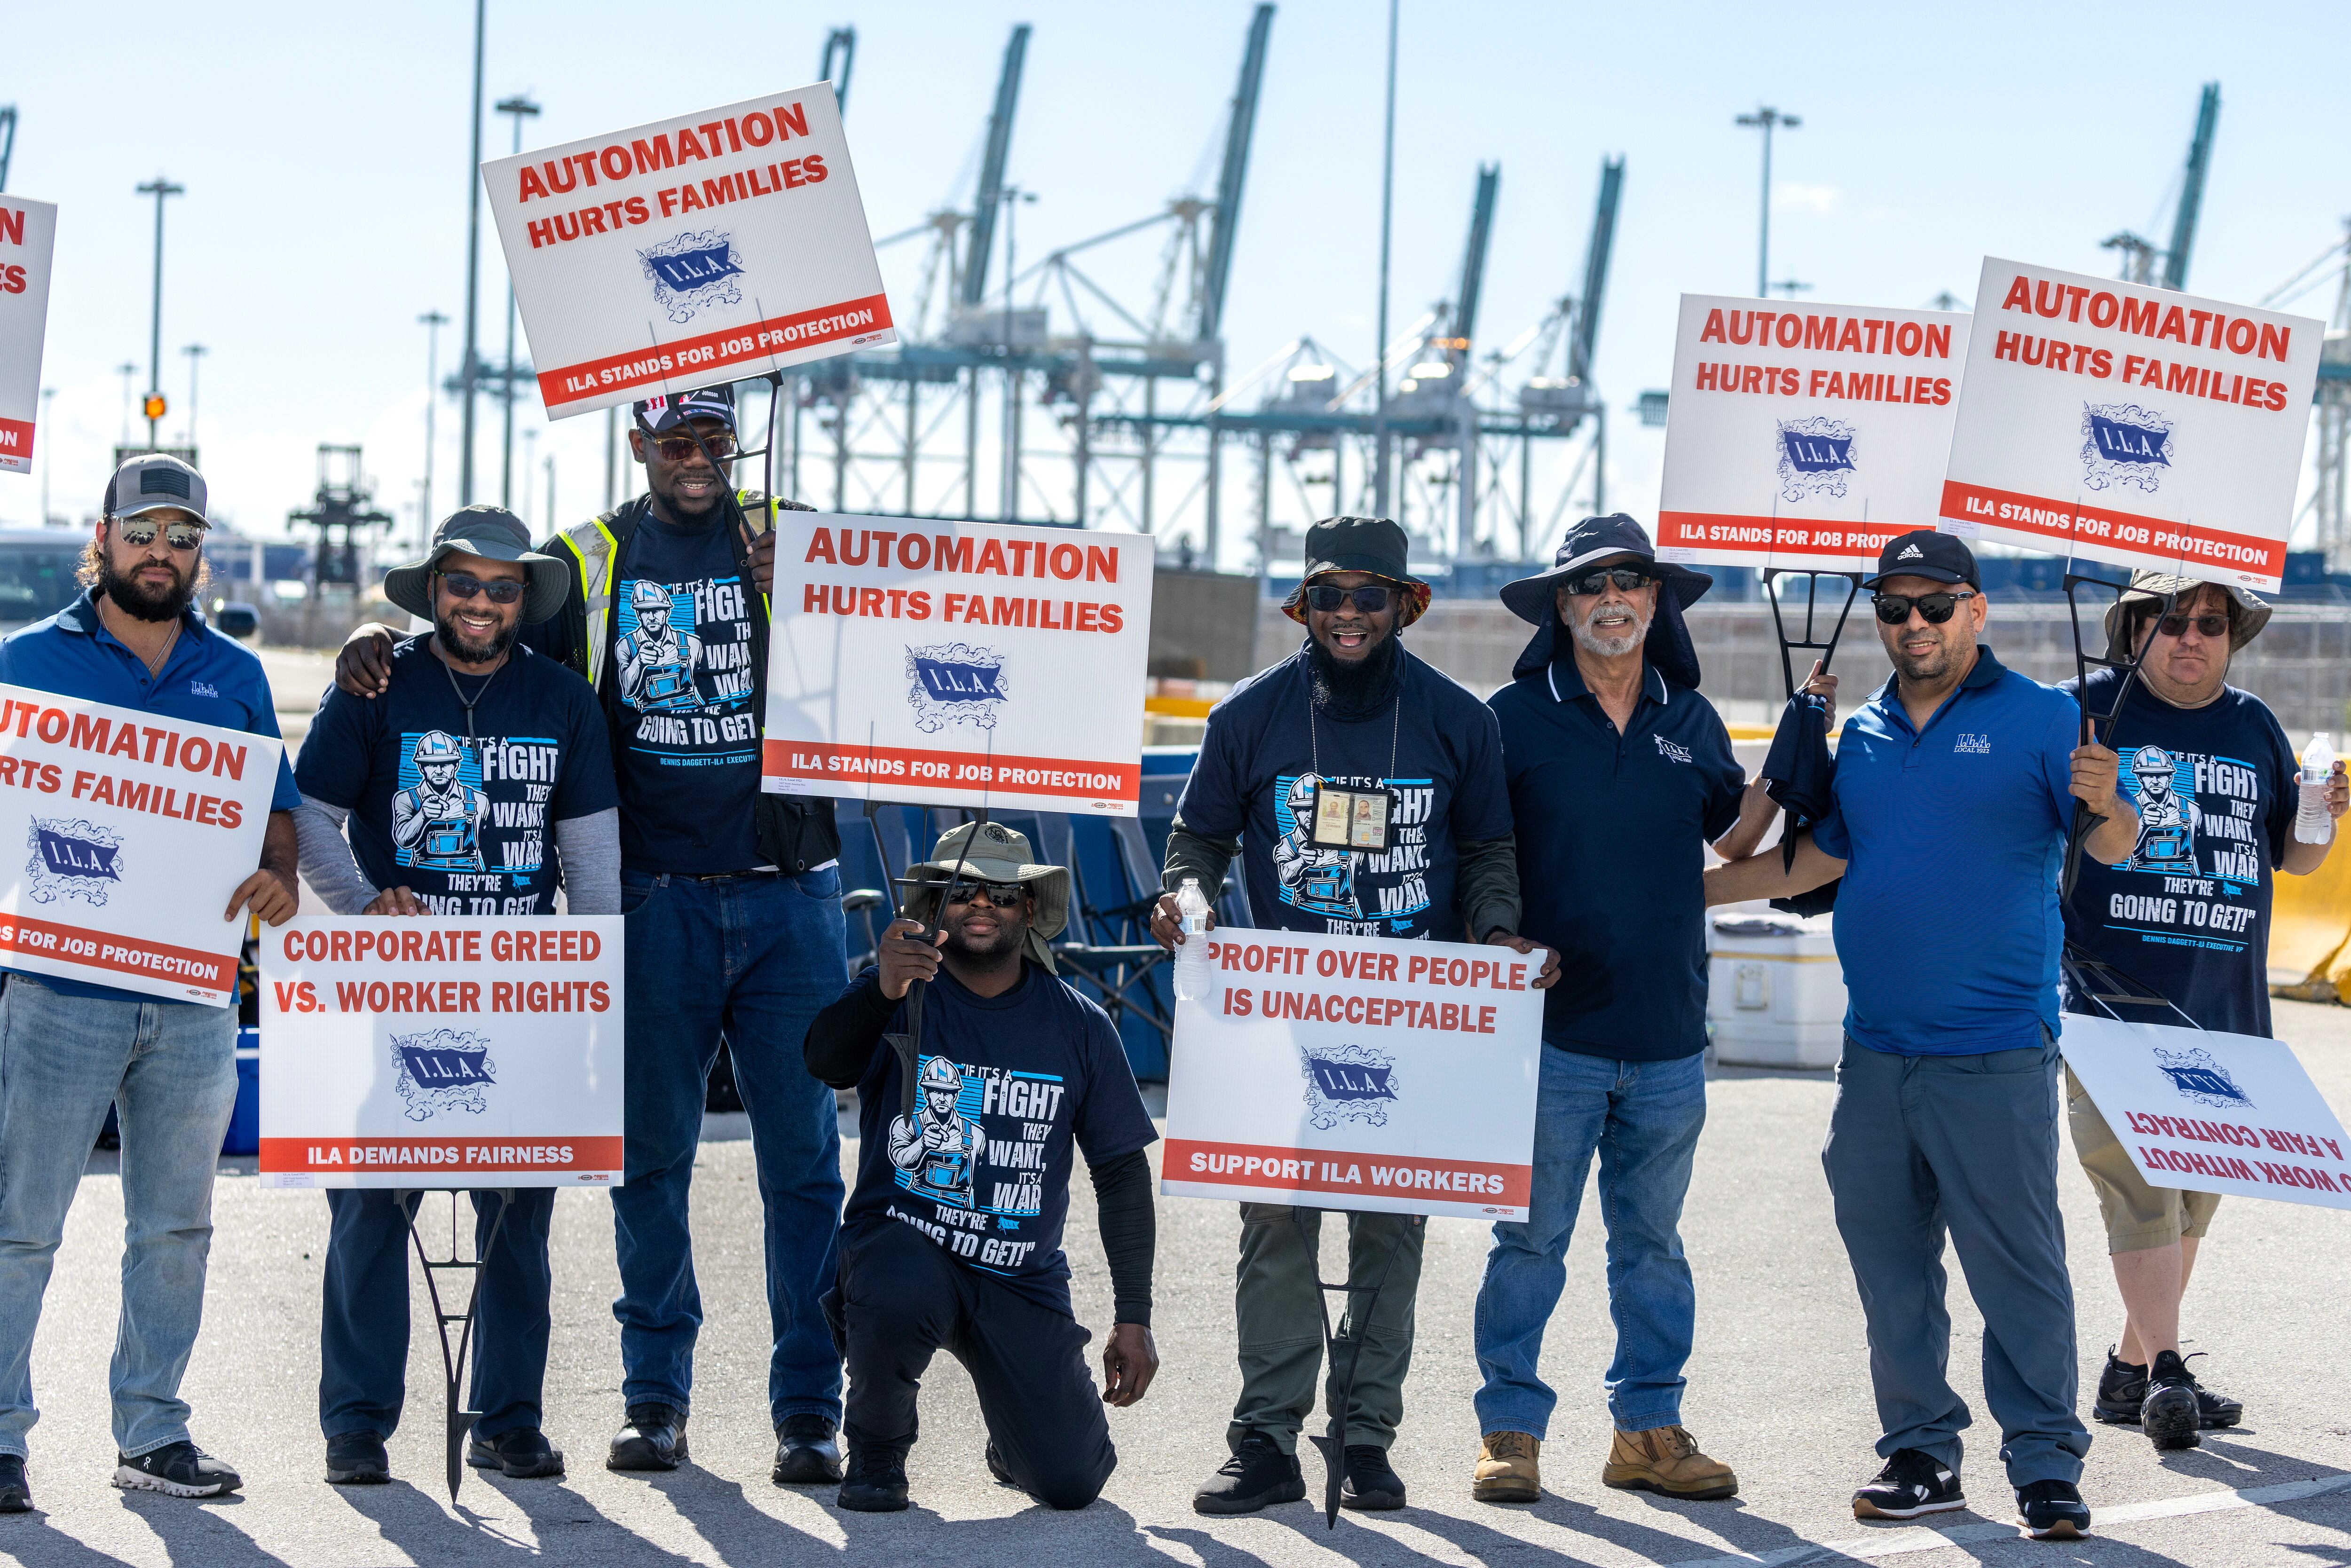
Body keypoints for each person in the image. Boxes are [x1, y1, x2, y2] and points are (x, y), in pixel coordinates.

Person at [333, 384, 849, 1484]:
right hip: (655, 899)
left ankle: (811, 1411)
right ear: (640, 445)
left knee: (803, 1166)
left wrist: (808, 603)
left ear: (737, 444)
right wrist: (375, 638)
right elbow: (481, 635)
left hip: (790, 892)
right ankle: (654, 1403)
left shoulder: (803, 540)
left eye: (714, 438)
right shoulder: (590, 558)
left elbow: (902, 677)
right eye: (676, 439)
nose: (697, 457)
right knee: (648, 1164)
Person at [1705, 528, 2139, 1543]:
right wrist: (1673, 893)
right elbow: (1812, 862)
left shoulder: (2044, 718)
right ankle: (1918, 1453)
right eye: (1892, 609)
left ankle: (2043, 1464)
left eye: (1933, 606)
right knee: (1890, 1268)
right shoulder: (1857, 732)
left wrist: (2107, 799)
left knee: (2015, 1268)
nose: (1912, 625)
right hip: (1875, 1055)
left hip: (1992, 1049)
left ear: (1975, 612)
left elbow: (2114, 846)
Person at [1149, 515, 1558, 1517]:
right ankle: (1266, 1438)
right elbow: (1193, 841)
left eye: (1368, 596)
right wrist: (1184, 903)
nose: (1346, 615)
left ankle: (1365, 1439)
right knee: (1274, 1228)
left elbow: (1490, 854)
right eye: (1328, 596)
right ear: (1304, 605)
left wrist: (1497, 929)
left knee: (1390, 1231)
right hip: (1283, 1015)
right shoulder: (1246, 717)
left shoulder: (1461, 721)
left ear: (1404, 606)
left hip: (1410, 1015)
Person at [294, 506, 620, 1485]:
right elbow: (310, 817)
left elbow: (592, 860)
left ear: (524, 599)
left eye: (501, 587)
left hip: (522, 990)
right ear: (434, 589)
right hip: (394, 986)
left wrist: (592, 991)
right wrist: (361, 902)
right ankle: (357, 1426)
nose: (480, 602)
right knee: (369, 1205)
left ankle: (509, 1419)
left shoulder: (562, 699)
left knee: (519, 1213)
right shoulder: (375, 684)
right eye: (463, 584)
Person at [0, 455, 301, 1513]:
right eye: (143, 532)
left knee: (175, 1226)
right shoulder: (26, 662)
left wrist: (281, 874)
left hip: (192, 993)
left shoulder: (238, 673)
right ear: (104, 536)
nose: (161, 553)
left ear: (199, 550)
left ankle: (151, 1433)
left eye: (182, 535)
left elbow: (274, 809)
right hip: (55, 991)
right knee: (20, 1220)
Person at [1470, 516, 1780, 1506]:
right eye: (1590, 584)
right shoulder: (1508, 720)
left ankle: (1646, 1433)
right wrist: (1492, 939)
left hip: (1666, 1042)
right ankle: (1508, 1434)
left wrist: (1798, 750)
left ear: (1656, 602)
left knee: (1652, 1249)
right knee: (1529, 1244)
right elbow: (1468, 858)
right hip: (1548, 1039)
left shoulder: (1689, 720)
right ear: (1562, 605)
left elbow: (1734, 843)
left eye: (1632, 583)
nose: (1613, 598)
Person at [2059, 573, 2346, 1450]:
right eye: (2172, 623)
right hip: (2108, 998)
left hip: (2224, 1011)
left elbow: (2292, 860)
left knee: (2193, 1200)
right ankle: (2170, 1376)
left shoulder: (2255, 724)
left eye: (2210, 624)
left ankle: (2127, 1370)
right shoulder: (2087, 709)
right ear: (2136, 631)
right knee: (2139, 1193)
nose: (2192, 638)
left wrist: (2324, 814)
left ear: (2232, 636)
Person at [802, 822, 1160, 1513]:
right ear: (936, 904)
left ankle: (1013, 1439)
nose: (982, 903)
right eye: (963, 890)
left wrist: (1134, 1317)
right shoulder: (902, 994)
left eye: (1002, 891)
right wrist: (880, 990)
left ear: (1029, 909)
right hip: (908, 1251)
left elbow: (1120, 1174)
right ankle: (877, 1448)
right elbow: (824, 1063)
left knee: (1070, 1483)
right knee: (894, 1272)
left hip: (1019, 1276)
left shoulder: (1081, 1025)